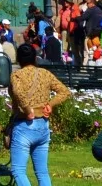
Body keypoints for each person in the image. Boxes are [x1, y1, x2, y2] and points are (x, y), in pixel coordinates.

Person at [8, 43, 70, 186]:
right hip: (43, 126)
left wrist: (27, 108)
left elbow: (18, 93)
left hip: (24, 126)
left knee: (18, 170)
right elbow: (64, 91)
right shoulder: (44, 73)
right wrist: (50, 104)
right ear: (35, 57)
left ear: (18, 58)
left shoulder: (16, 75)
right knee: (42, 172)